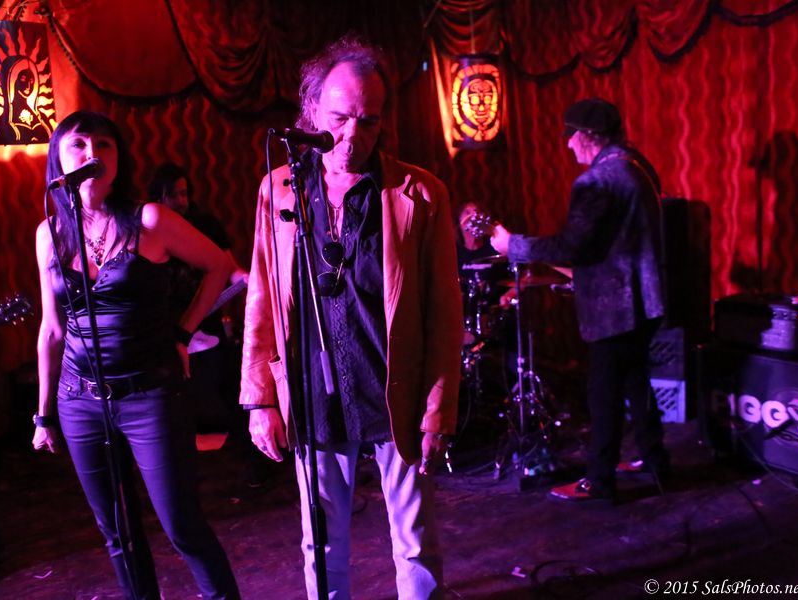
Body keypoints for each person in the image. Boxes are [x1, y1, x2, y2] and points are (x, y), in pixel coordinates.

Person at [240, 36, 462, 599]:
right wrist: (260, 399)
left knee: (415, 542)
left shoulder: (421, 194)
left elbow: (444, 314)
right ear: (311, 110)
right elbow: (262, 298)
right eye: (340, 119)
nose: (352, 136)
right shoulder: (279, 188)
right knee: (321, 543)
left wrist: (438, 410)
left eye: (368, 121)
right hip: (314, 392)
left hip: (394, 390)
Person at [31, 111, 240, 599]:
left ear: (119, 158)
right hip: (79, 400)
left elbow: (220, 266)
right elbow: (52, 329)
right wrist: (43, 415)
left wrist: (183, 333)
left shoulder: (150, 220)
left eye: (104, 144)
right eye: (80, 144)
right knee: (118, 535)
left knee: (182, 525)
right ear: (59, 158)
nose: (93, 154)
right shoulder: (49, 233)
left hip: (150, 396)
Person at [490, 97, 670, 503]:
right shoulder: (638, 165)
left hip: (615, 309)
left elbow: (573, 245)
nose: (568, 145)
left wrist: (512, 245)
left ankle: (599, 482)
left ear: (588, 135)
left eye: (570, 136)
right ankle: (656, 462)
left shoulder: (597, 180)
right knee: (637, 384)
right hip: (646, 301)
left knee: (603, 395)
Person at [148, 163, 249, 437]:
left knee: (225, 388)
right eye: (174, 195)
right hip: (168, 326)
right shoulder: (149, 229)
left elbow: (229, 267)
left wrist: (246, 278)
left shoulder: (205, 224)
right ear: (158, 197)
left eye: (184, 193)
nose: (182, 201)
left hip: (207, 323)